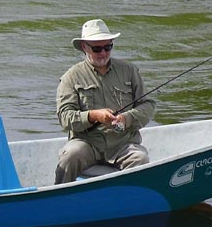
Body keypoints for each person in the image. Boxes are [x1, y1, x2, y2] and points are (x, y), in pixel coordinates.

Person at [55, 18, 157, 184]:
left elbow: (148, 105)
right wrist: (93, 116)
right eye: (97, 48)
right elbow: (65, 118)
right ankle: (59, 196)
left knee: (140, 158)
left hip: (123, 144)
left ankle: (128, 197)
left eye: (107, 47)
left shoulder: (129, 70)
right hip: (87, 144)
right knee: (70, 156)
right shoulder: (70, 77)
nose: (103, 53)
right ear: (84, 47)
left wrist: (126, 118)